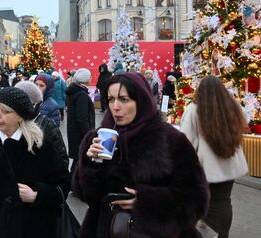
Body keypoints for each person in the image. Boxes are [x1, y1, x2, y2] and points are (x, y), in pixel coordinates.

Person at [75, 73, 209, 237]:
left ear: (141, 100)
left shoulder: (171, 140)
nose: (115, 106)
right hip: (106, 230)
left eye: (124, 99)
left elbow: (196, 200)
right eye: (111, 99)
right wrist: (90, 163)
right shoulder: (97, 139)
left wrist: (149, 203)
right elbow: (84, 194)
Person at [0, 87, 70, 238]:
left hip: (34, 226)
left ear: (20, 116)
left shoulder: (41, 145)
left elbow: (63, 185)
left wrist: (37, 195)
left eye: (5, 111)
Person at [180, 76, 249, 238]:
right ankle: (223, 234)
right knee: (224, 200)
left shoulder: (194, 109)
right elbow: (244, 121)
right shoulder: (232, 105)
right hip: (229, 164)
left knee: (198, 198)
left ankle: (198, 223)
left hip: (206, 169)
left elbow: (186, 139)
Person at [15, 80, 69, 167]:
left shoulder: (48, 121)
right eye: (36, 84)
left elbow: (60, 158)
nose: (38, 88)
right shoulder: (9, 124)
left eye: (42, 85)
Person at [65, 68, 95, 176]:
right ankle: (73, 182)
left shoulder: (74, 91)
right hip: (80, 133)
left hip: (74, 131)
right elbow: (82, 117)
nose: (91, 78)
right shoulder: (81, 94)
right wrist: (89, 134)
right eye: (90, 76)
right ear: (85, 79)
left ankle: (73, 181)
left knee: (79, 158)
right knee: (80, 158)